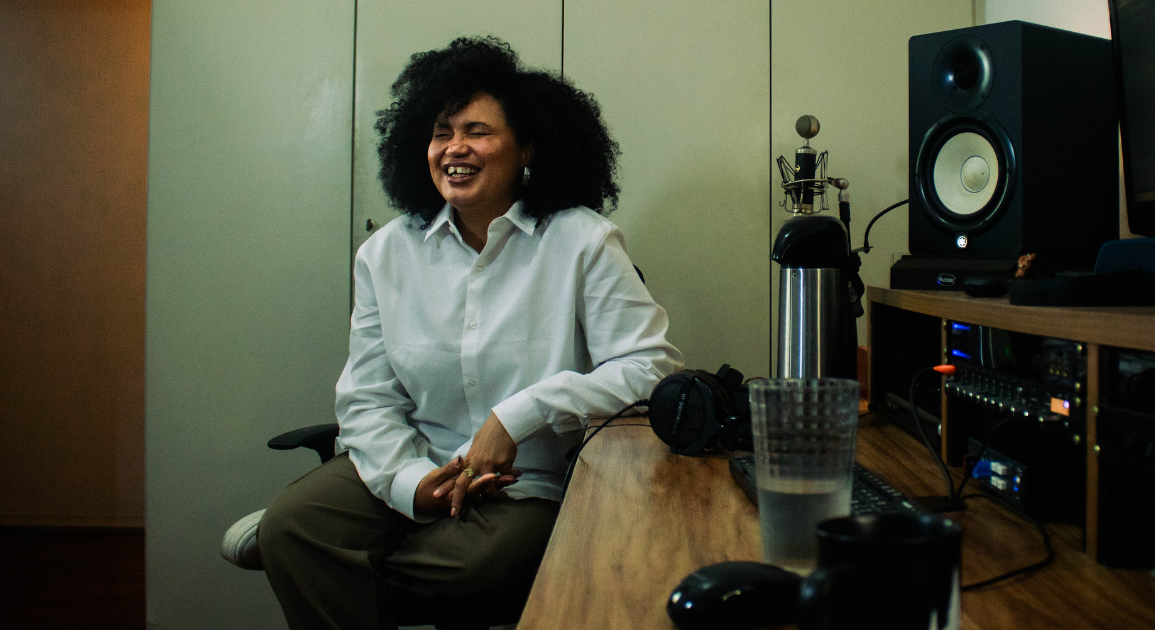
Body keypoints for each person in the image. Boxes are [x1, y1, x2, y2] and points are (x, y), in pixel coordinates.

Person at [258, 36, 683, 630]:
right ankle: (345, 565)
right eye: (441, 133)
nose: (454, 148)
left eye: (477, 131)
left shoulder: (582, 241)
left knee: (470, 568)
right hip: (412, 458)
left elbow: (650, 369)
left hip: (523, 483)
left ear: (527, 146)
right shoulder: (386, 253)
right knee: (290, 529)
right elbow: (368, 397)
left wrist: (518, 415)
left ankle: (342, 574)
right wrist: (411, 484)